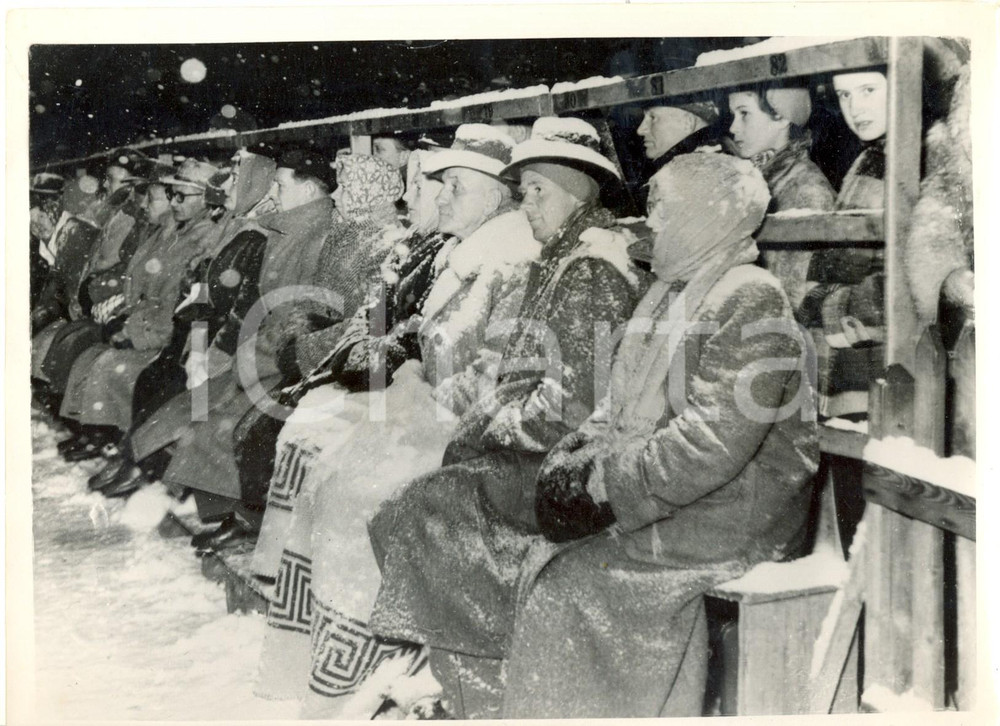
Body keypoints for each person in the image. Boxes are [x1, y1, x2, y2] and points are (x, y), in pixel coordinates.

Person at [501, 152, 818, 718]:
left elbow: (711, 444)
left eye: (663, 209)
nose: (652, 224)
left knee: (572, 585)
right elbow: (616, 405)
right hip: (686, 496)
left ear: (705, 215)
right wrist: (577, 457)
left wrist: (606, 486)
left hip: (739, 510)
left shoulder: (749, 296)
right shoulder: (669, 290)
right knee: (546, 562)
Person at [252, 126, 541, 717]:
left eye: (452, 187)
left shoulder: (505, 257)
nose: (434, 198)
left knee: (355, 489)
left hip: (459, 427)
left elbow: (489, 370)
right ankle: (340, 644)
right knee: (332, 466)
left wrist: (405, 369)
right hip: (425, 406)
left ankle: (375, 649)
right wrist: (399, 360)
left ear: (493, 193)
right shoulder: (467, 250)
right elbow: (416, 334)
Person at [366, 117, 647, 719]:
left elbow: (567, 407)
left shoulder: (591, 270)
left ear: (575, 190)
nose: (527, 205)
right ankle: (460, 668)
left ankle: (481, 681)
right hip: (536, 455)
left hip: (558, 469)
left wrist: (489, 427)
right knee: (420, 506)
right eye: (524, 192)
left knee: (422, 513)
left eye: (537, 190)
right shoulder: (563, 257)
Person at [127, 149, 336, 527]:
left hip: (281, 360)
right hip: (258, 351)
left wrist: (241, 352)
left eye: (282, 184)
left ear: (307, 191)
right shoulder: (286, 229)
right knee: (190, 408)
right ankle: (205, 502)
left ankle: (233, 515)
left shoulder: (311, 237)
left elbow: (294, 312)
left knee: (215, 421)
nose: (275, 191)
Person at [87, 150, 278, 496]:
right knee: (155, 379)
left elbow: (242, 302)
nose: (227, 188)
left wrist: (208, 347)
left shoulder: (252, 234)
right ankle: (136, 458)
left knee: (165, 385)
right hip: (197, 333)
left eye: (236, 180)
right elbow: (203, 285)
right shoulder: (234, 226)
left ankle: (148, 467)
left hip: (217, 343)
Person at [55, 159, 221, 461]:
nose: (174, 202)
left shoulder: (203, 239)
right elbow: (139, 290)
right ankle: (96, 432)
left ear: (206, 200)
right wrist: (123, 320)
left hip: (169, 338)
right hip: (145, 324)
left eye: (182, 196)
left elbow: (175, 304)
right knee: (93, 357)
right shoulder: (168, 234)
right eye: (171, 195)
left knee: (111, 365)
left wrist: (134, 333)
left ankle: (115, 440)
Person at [797, 69, 888, 419]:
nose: (855, 107)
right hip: (850, 363)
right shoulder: (868, 157)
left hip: (887, 368)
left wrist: (820, 302)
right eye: (844, 95)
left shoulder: (918, 158)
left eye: (868, 90)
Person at [728, 83, 835, 307]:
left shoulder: (807, 190)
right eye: (733, 115)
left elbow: (796, 298)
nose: (733, 127)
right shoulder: (755, 180)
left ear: (781, 117)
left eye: (744, 113)